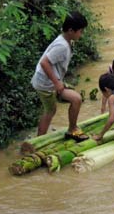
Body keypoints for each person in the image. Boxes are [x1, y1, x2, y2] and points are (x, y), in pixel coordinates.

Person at [31, 11, 89, 142]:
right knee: (51, 110)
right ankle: (38, 141)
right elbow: (44, 62)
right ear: (70, 30)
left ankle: (71, 128)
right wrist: (57, 82)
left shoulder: (65, 40)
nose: (82, 34)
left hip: (49, 81)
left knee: (75, 100)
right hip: (45, 84)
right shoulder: (62, 45)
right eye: (80, 31)